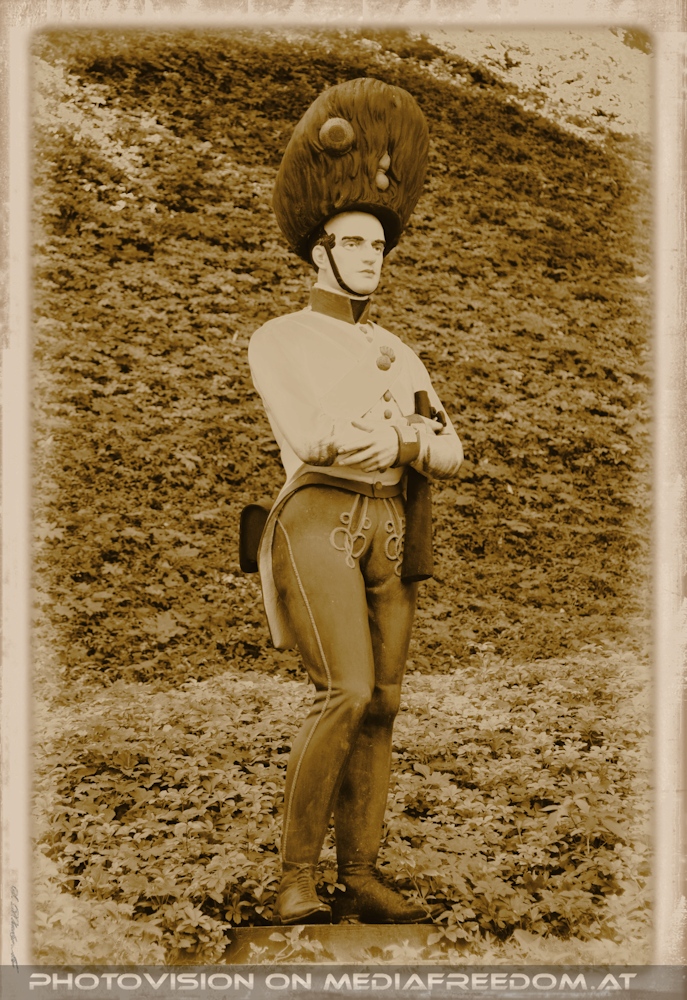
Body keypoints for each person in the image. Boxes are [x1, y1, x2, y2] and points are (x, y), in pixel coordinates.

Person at [246, 78, 463, 926]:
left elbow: (449, 447)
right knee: (343, 691)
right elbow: (310, 436)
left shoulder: (397, 347)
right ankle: (293, 880)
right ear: (319, 253)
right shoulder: (281, 337)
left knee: (383, 703)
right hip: (318, 520)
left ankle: (361, 876)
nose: (372, 256)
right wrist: (378, 422)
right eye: (354, 243)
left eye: (379, 244)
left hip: (390, 528)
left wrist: (404, 443)